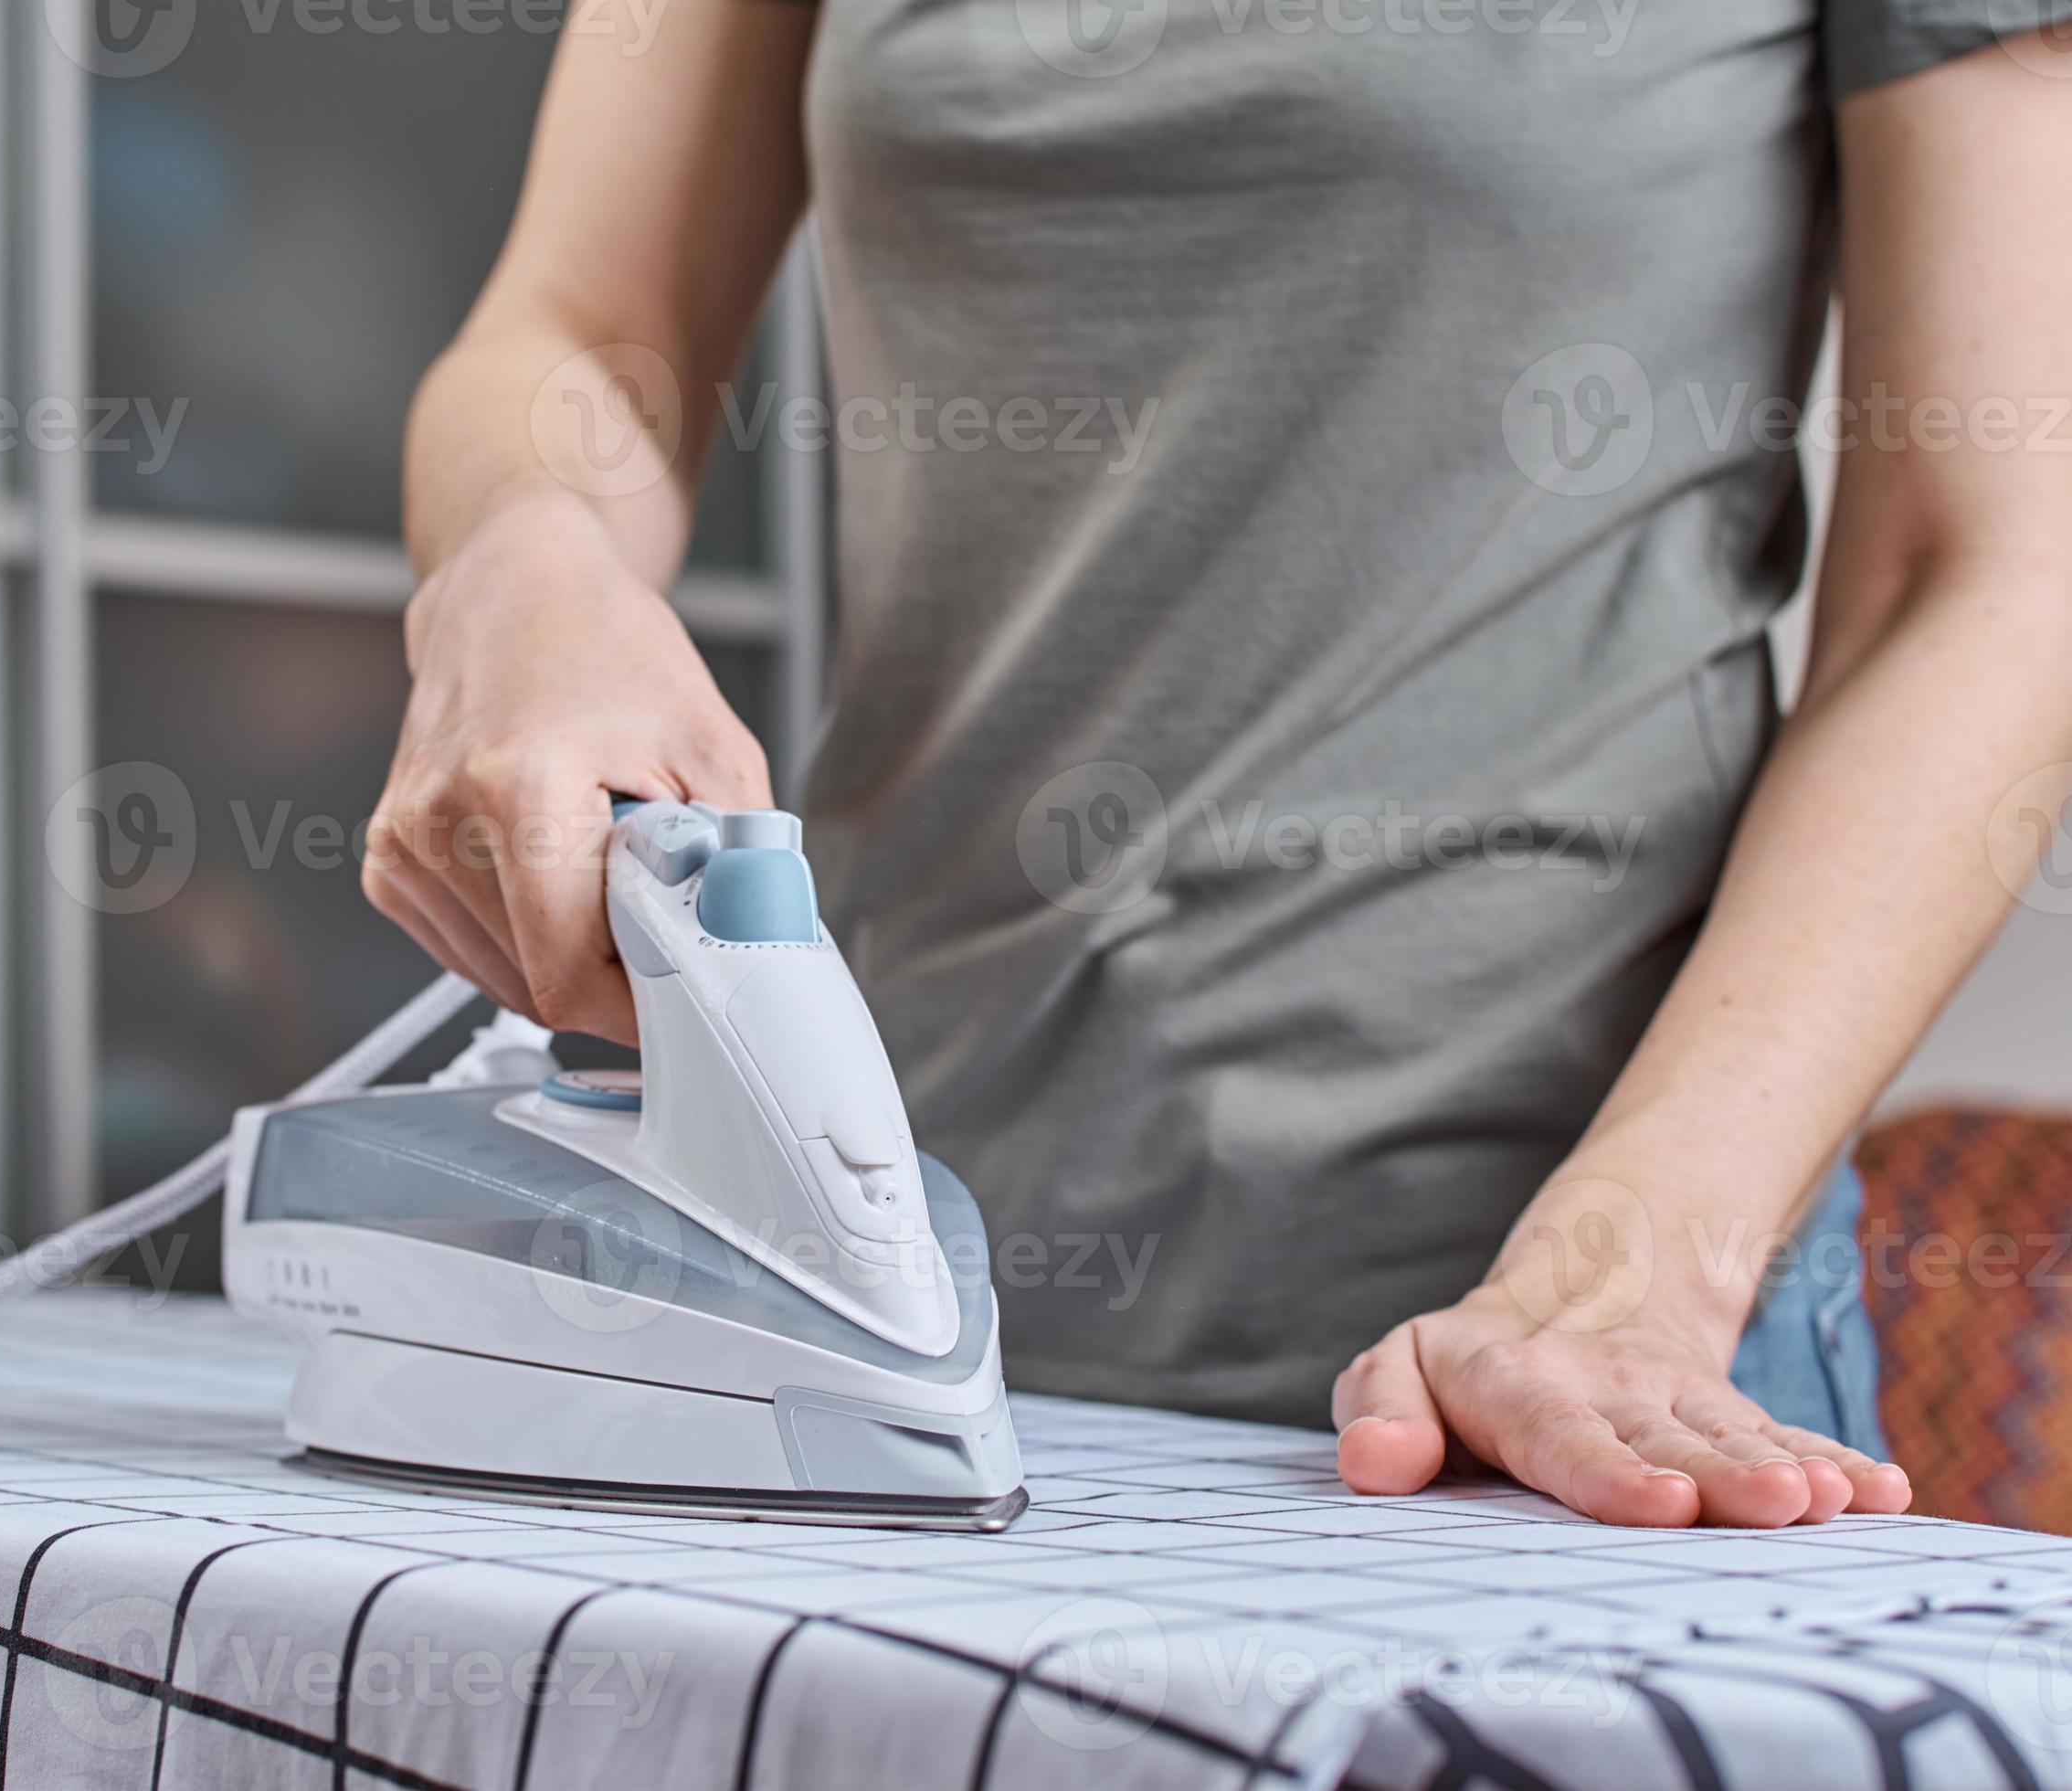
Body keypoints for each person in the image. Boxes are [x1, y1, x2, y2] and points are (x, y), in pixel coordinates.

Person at [362, 0, 2072, 1528]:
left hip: (1566, 1353)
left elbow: (1986, 561)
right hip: (900, 1304)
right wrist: (525, 565)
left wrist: (1630, 1266)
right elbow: (585, 323)